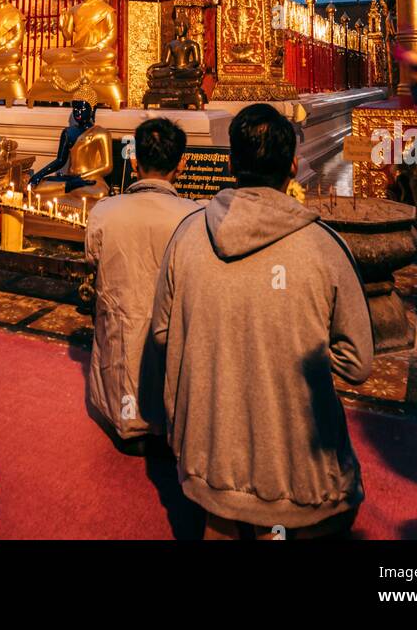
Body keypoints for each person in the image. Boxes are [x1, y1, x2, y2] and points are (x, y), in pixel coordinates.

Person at [151, 102, 373, 539]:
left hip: (210, 461)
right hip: (301, 476)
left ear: (232, 163)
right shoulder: (325, 248)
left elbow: (162, 333)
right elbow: (359, 364)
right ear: (293, 165)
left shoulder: (187, 235)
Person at [85, 116, 200, 450]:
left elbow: (91, 260)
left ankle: (127, 421)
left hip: (119, 335)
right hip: (172, 344)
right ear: (182, 163)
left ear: (134, 161)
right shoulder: (194, 216)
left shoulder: (104, 211)